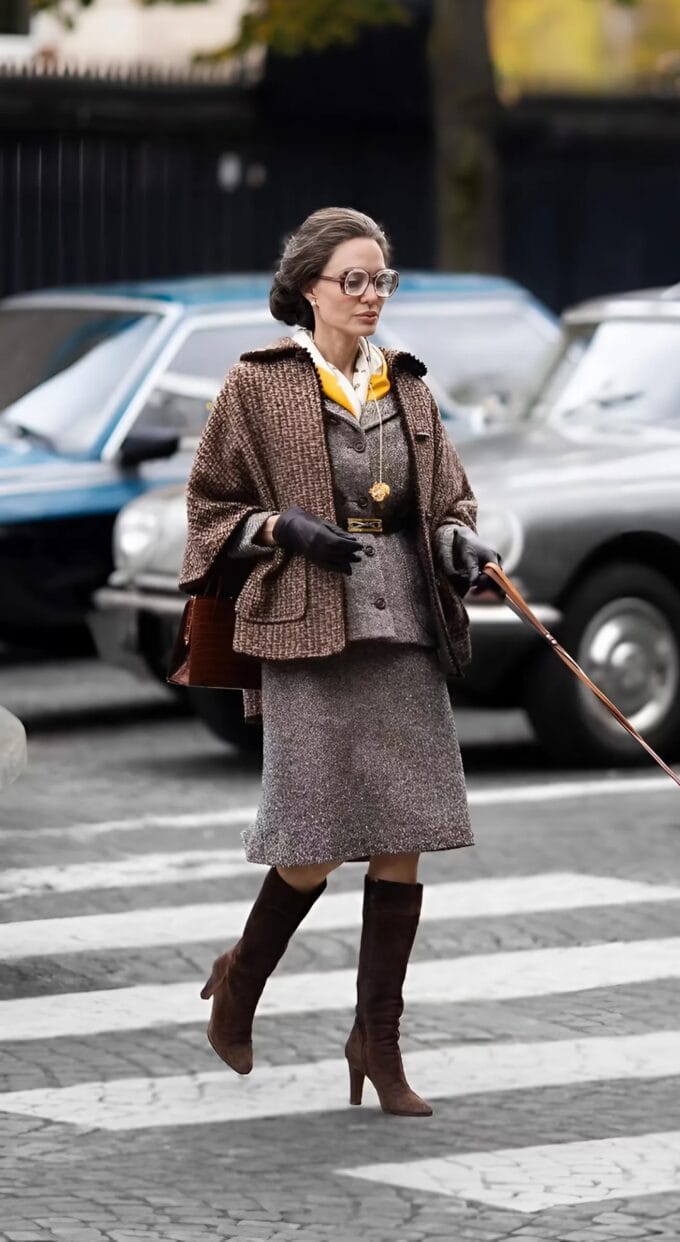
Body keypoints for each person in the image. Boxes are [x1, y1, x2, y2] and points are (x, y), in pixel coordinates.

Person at [178, 206, 501, 1117]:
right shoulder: (259, 384)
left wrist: (458, 544)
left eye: (381, 280)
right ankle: (240, 981)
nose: (369, 297)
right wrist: (281, 528)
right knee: (312, 845)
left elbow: (447, 501)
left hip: (403, 628)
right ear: (309, 288)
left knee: (401, 843)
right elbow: (207, 509)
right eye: (352, 280)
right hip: (308, 627)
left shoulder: (409, 385)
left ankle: (378, 1043)